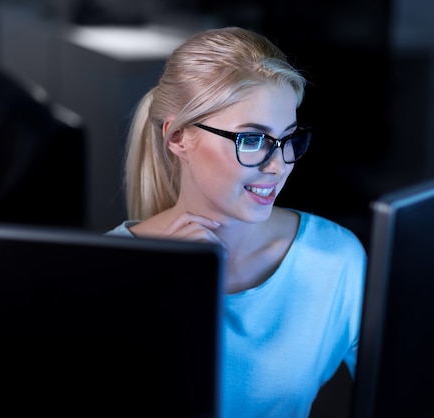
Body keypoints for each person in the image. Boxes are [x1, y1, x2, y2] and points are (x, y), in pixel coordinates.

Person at [106, 26, 366, 417]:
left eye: (287, 139)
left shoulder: (334, 259)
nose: (279, 166)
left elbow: (415, 394)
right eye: (251, 140)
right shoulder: (109, 268)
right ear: (178, 137)